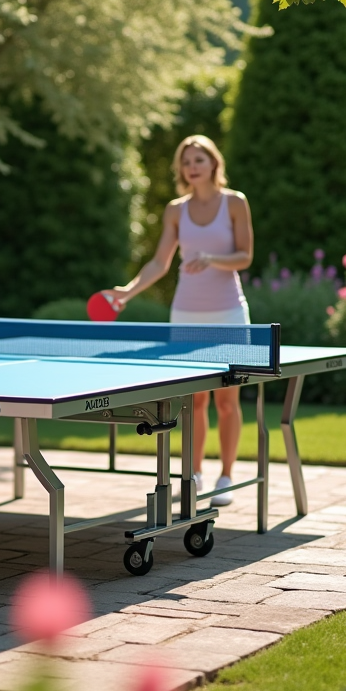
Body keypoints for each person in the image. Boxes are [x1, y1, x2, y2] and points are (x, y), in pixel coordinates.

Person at [102, 135, 253, 506]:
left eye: (199, 159)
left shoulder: (235, 203)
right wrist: (128, 290)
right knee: (194, 402)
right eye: (186, 161)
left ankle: (227, 475)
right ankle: (196, 473)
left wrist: (212, 259)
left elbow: (245, 256)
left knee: (227, 402)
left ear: (213, 163)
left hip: (229, 313)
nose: (192, 166)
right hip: (186, 314)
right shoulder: (175, 210)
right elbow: (159, 263)